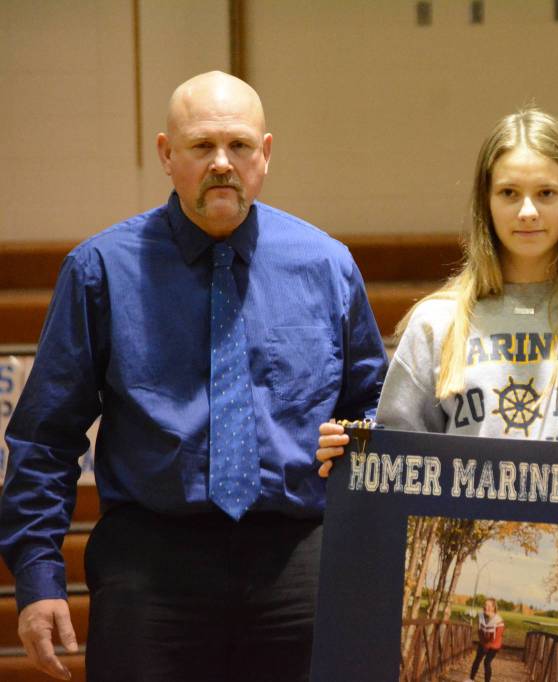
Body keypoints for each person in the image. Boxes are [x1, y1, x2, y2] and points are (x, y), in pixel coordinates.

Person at [0, 71, 388, 681]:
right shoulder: (100, 270)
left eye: (238, 146)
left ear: (265, 153)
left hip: (297, 552)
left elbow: (375, 406)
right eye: (202, 147)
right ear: (166, 154)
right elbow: (46, 437)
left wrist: (358, 435)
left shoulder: (326, 266)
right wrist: (38, 575)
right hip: (152, 555)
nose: (222, 164)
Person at [316, 108, 558, 515]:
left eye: (546, 193)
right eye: (508, 193)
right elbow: (391, 476)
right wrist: (350, 458)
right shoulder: (437, 323)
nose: (527, 211)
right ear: (486, 202)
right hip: (463, 567)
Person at [465, 598, 504, 682]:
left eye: (489, 606)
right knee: (477, 659)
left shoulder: (499, 621)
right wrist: (482, 643)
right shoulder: (481, 616)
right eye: (485, 605)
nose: (486, 607)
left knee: (486, 662)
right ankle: (471, 679)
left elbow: (496, 638)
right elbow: (480, 631)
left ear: (493, 608)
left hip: (494, 645)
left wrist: (487, 646)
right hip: (484, 642)